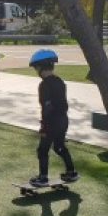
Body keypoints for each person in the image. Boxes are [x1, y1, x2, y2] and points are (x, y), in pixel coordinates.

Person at [28, 48, 79, 187]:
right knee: (59, 146)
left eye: (36, 67)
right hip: (63, 120)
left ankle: (43, 178)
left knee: (42, 150)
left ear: (40, 67)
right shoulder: (59, 81)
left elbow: (47, 107)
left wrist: (44, 126)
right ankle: (71, 172)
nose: (36, 71)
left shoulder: (44, 85)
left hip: (52, 122)